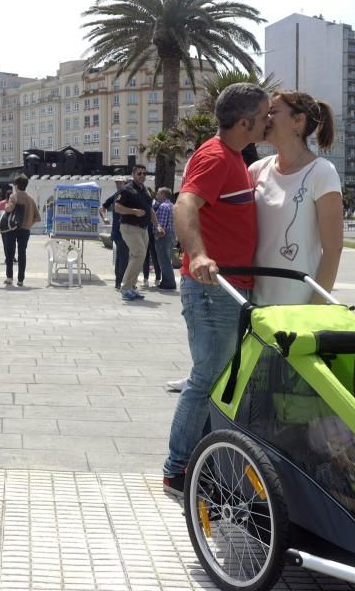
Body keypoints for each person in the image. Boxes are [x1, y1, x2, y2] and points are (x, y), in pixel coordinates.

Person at [161, 83, 268, 497]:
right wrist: (199, 255)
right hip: (212, 288)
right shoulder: (216, 156)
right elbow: (186, 205)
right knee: (206, 379)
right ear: (244, 123)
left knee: (217, 379)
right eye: (263, 118)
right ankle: (177, 470)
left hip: (229, 289)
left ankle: (200, 463)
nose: (267, 122)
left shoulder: (235, 158)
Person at [250, 91, 343, 305]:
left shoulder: (322, 172)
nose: (266, 118)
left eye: (273, 111)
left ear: (298, 121)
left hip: (299, 304)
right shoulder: (257, 170)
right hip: (252, 301)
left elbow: (333, 249)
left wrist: (315, 306)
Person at [114, 164, 159, 301]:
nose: (142, 176)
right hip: (130, 227)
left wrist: (158, 226)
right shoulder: (127, 189)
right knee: (139, 254)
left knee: (139, 256)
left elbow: (150, 210)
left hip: (143, 229)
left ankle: (132, 287)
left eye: (145, 174)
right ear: (133, 174)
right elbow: (117, 207)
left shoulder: (145, 190)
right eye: (139, 173)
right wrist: (134, 211)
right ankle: (125, 287)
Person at [2, 174, 40, 286]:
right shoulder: (30, 200)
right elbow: (37, 217)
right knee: (22, 253)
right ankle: (20, 280)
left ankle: (9, 277)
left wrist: (5, 206)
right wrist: (28, 224)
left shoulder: (14, 196)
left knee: (10, 253)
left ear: (17, 185)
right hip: (25, 230)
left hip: (12, 228)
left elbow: (9, 208)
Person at [99, 177, 130, 291]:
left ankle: (119, 281)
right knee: (123, 257)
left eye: (120, 182)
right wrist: (105, 218)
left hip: (119, 231)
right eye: (117, 182)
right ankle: (122, 282)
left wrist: (105, 218)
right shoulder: (120, 195)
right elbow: (101, 208)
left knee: (120, 257)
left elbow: (102, 208)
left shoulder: (117, 195)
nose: (118, 184)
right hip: (121, 231)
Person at [153, 187, 177, 291]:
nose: (156, 196)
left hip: (164, 236)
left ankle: (169, 283)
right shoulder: (172, 205)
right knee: (167, 259)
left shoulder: (163, 206)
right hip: (171, 235)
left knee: (164, 260)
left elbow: (161, 225)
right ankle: (166, 281)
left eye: (158, 194)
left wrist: (157, 235)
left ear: (163, 195)